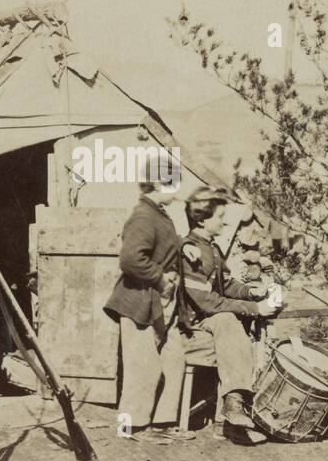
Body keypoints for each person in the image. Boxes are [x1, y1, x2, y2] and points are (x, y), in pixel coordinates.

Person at [178, 187, 280, 440]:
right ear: (201, 220)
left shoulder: (211, 249)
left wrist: (250, 292)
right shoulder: (191, 252)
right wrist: (256, 309)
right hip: (190, 327)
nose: (224, 221)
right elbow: (208, 303)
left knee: (231, 323)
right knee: (227, 320)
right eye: (219, 216)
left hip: (206, 321)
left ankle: (233, 411)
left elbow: (227, 284)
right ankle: (234, 404)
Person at [103, 176, 188, 441]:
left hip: (160, 301)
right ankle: (133, 426)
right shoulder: (143, 216)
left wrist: (188, 245)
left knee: (173, 358)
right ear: (158, 185)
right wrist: (161, 278)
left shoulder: (158, 214)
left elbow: (167, 245)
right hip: (140, 299)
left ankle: (162, 422)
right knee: (143, 366)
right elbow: (130, 259)